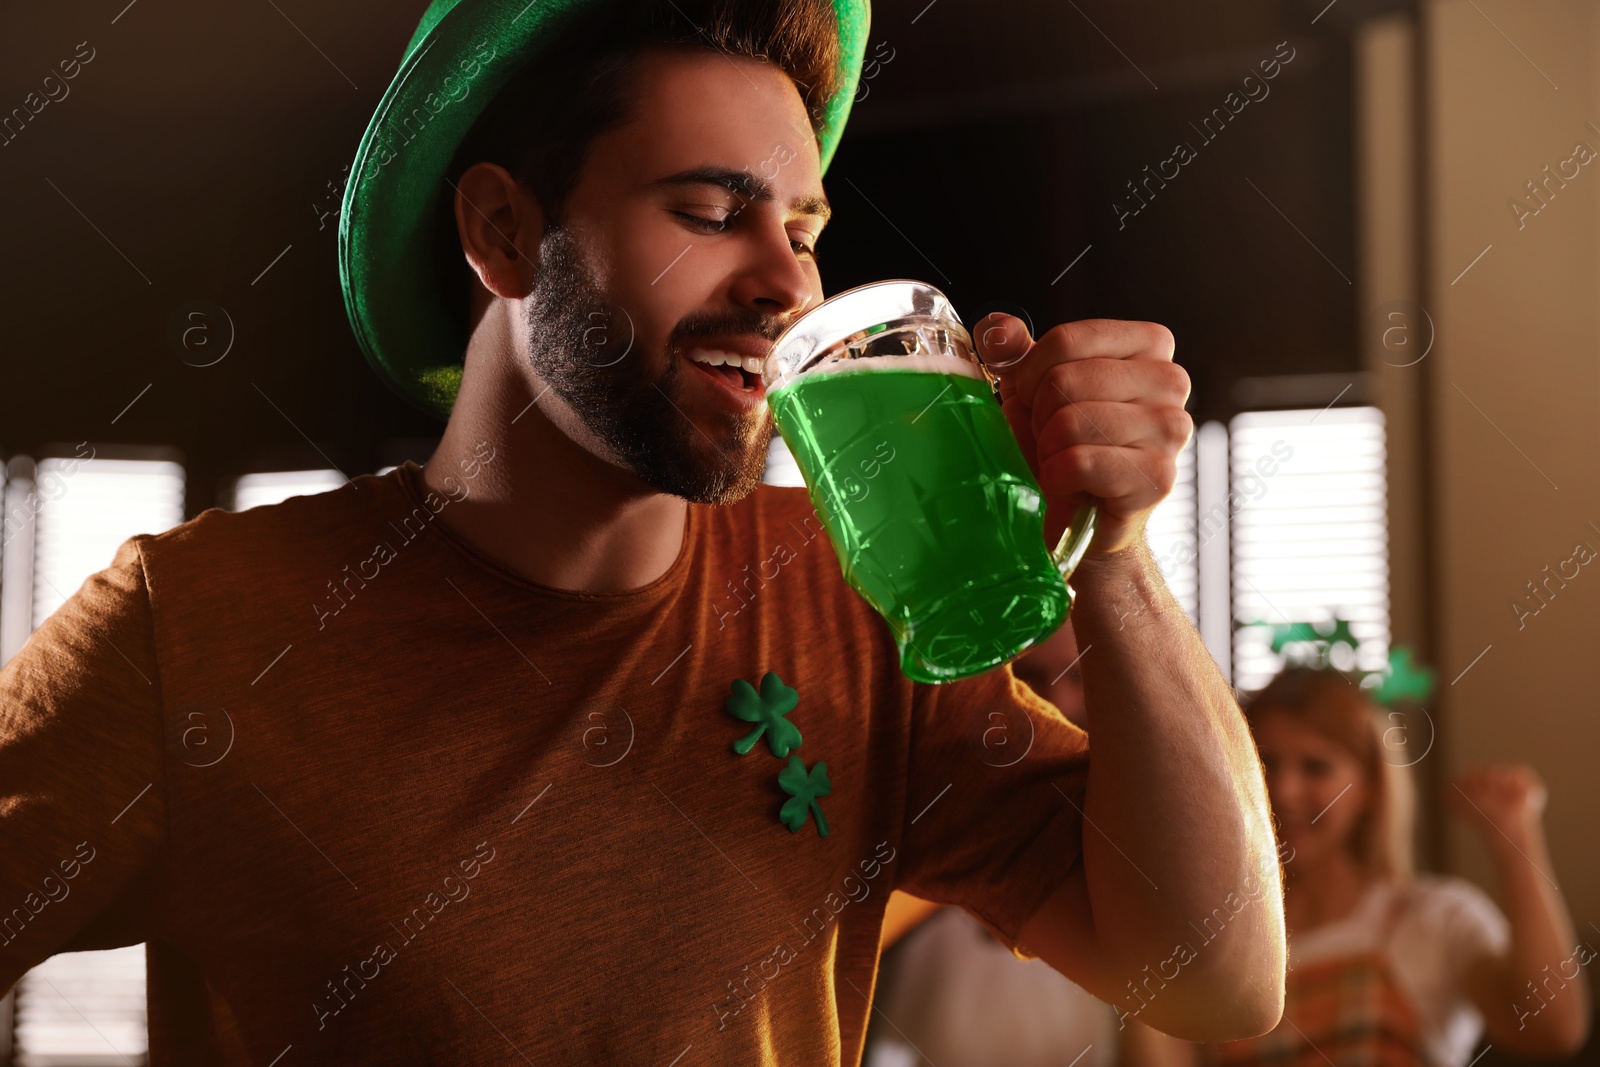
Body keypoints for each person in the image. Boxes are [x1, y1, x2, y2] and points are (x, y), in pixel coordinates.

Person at [0, 0, 1285, 1062]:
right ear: (504, 233)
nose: (785, 283)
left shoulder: (852, 599)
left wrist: (1113, 552)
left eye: (803, 228)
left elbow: (1219, 976)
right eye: (709, 212)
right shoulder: (197, 624)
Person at [1130, 667, 1591, 1067]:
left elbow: (1554, 1031)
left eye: (1316, 767)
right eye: (1266, 763)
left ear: (1370, 787)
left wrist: (1514, 839)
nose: (1285, 791)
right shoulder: (1212, 946)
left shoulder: (1432, 918)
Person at [866, 619, 1130, 1067]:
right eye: (1027, 678)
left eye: (1079, 678)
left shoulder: (1122, 845)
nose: (1056, 702)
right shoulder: (916, 813)